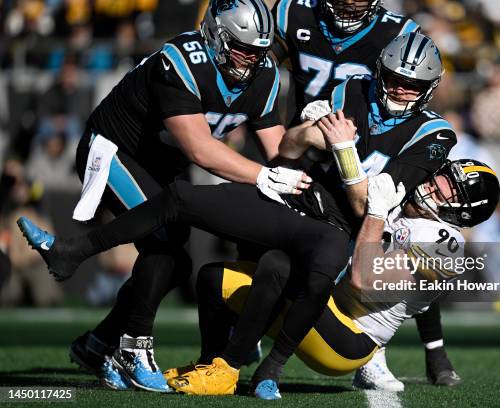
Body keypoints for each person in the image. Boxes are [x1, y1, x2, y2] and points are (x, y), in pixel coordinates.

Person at [18, 32, 454, 397]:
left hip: (341, 233)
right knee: (182, 199)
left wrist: (341, 149)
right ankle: (72, 252)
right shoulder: (354, 89)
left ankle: (263, 370)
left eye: (411, 85)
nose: (399, 89)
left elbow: (366, 207)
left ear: (429, 90)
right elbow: (288, 148)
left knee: (280, 267)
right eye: (394, 79)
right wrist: (303, 134)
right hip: (304, 201)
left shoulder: (434, 136)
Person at [27, 0, 309, 393]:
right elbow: (200, 150)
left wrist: (309, 141)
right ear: (215, 35)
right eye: (243, 47)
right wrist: (265, 177)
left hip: (162, 163)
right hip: (115, 150)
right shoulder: (180, 60)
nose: (252, 59)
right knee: (164, 246)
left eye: (260, 50)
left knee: (175, 264)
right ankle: (132, 347)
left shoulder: (263, 73)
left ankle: (98, 344)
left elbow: (277, 149)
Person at [164, 159, 500, 399]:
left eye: (447, 190)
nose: (433, 185)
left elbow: (364, 280)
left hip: (349, 339)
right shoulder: (406, 198)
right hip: (318, 302)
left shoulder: (446, 246)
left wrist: (378, 212)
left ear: (463, 211)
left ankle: (257, 368)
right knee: (212, 279)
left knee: (281, 268)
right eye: (441, 176)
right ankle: (209, 367)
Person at [271, 0, 420, 123]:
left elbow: (405, 100)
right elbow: (263, 68)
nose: (349, 2)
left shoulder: (398, 34)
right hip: (290, 123)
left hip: (358, 133)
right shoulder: (295, 11)